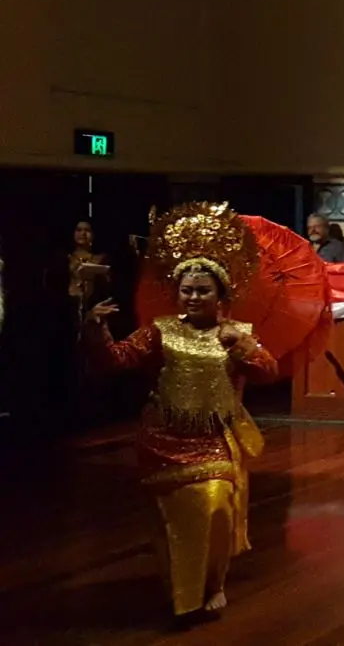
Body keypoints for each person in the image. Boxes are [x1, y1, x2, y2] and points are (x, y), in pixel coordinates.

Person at [81, 203, 278, 621]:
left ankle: (214, 583)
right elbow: (115, 361)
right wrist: (95, 330)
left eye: (202, 291)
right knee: (175, 521)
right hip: (164, 440)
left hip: (216, 441)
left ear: (221, 296)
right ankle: (183, 595)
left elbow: (269, 371)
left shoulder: (237, 333)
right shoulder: (161, 330)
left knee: (217, 505)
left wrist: (239, 347)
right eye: (187, 290)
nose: (193, 297)